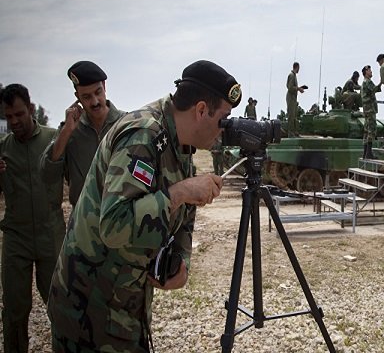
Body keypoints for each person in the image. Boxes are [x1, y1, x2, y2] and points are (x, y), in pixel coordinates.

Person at [47, 60, 242, 351]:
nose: (224, 130)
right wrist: (180, 192)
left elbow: (184, 215)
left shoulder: (180, 144)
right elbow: (113, 225)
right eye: (223, 119)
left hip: (125, 308)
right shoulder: (143, 135)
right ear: (201, 110)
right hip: (88, 313)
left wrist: (183, 261)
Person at [0, 84, 65, 353]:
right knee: (15, 309)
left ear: (30, 108)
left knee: (60, 305)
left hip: (51, 235)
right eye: (8, 117)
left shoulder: (55, 139)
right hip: (16, 238)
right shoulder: (2, 148)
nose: (14, 122)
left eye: (19, 114)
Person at [40, 60, 125, 207]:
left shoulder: (126, 124)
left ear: (104, 87)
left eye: (98, 92)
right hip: (83, 220)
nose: (94, 102)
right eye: (86, 97)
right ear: (77, 97)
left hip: (120, 217)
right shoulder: (69, 130)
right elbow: (47, 175)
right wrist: (67, 131)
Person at [361, 65, 381, 159]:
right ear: (366, 72)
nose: (371, 72)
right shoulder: (367, 82)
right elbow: (375, 89)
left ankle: (365, 153)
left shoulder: (364, 82)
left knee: (366, 130)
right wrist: (382, 82)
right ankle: (369, 153)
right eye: (370, 70)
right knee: (371, 130)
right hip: (370, 109)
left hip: (367, 109)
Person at [286, 62, 306, 137]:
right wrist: (298, 89)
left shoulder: (294, 76)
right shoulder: (291, 75)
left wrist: (299, 88)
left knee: (294, 115)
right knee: (291, 115)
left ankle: (294, 131)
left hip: (293, 97)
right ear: (296, 67)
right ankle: (290, 133)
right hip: (291, 97)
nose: (299, 70)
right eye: (298, 68)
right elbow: (290, 87)